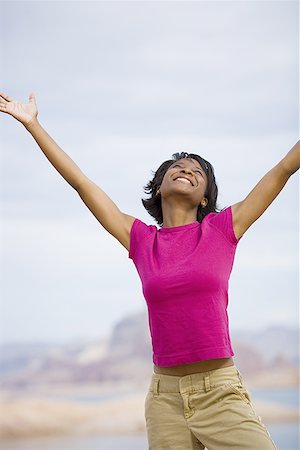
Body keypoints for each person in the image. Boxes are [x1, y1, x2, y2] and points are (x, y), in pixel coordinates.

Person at [0, 92, 298, 450]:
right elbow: (81, 182)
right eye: (178, 166)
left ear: (205, 197)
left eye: (197, 171)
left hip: (220, 391)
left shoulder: (221, 230)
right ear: (160, 186)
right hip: (164, 399)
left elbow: (283, 170)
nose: (186, 169)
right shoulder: (141, 239)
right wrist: (33, 125)